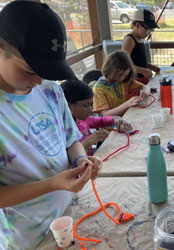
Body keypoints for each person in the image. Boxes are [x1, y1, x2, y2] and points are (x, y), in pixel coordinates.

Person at [0, 1, 102, 249]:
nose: (38, 80)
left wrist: (80, 161)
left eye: (46, 71)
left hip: (69, 212)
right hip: (28, 237)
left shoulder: (50, 91)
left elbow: (71, 140)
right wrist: (53, 183)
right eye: (28, 70)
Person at [61, 79, 132, 155]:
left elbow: (100, 121)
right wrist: (86, 143)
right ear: (68, 106)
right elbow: (65, 159)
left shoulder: (83, 119)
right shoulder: (62, 130)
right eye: (85, 106)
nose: (91, 110)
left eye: (91, 105)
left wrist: (115, 119)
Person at [93, 50, 150, 117]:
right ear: (111, 70)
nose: (122, 78)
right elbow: (105, 115)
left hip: (126, 118)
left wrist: (145, 91)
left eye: (125, 75)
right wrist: (127, 104)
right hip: (110, 125)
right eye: (120, 75)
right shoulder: (98, 88)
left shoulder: (124, 81)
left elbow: (145, 87)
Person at [122, 8, 161, 82]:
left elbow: (138, 61)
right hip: (133, 82)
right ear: (137, 25)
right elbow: (125, 64)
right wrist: (143, 71)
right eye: (147, 30)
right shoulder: (129, 40)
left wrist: (150, 66)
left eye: (151, 31)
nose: (148, 33)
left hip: (143, 80)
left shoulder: (139, 39)